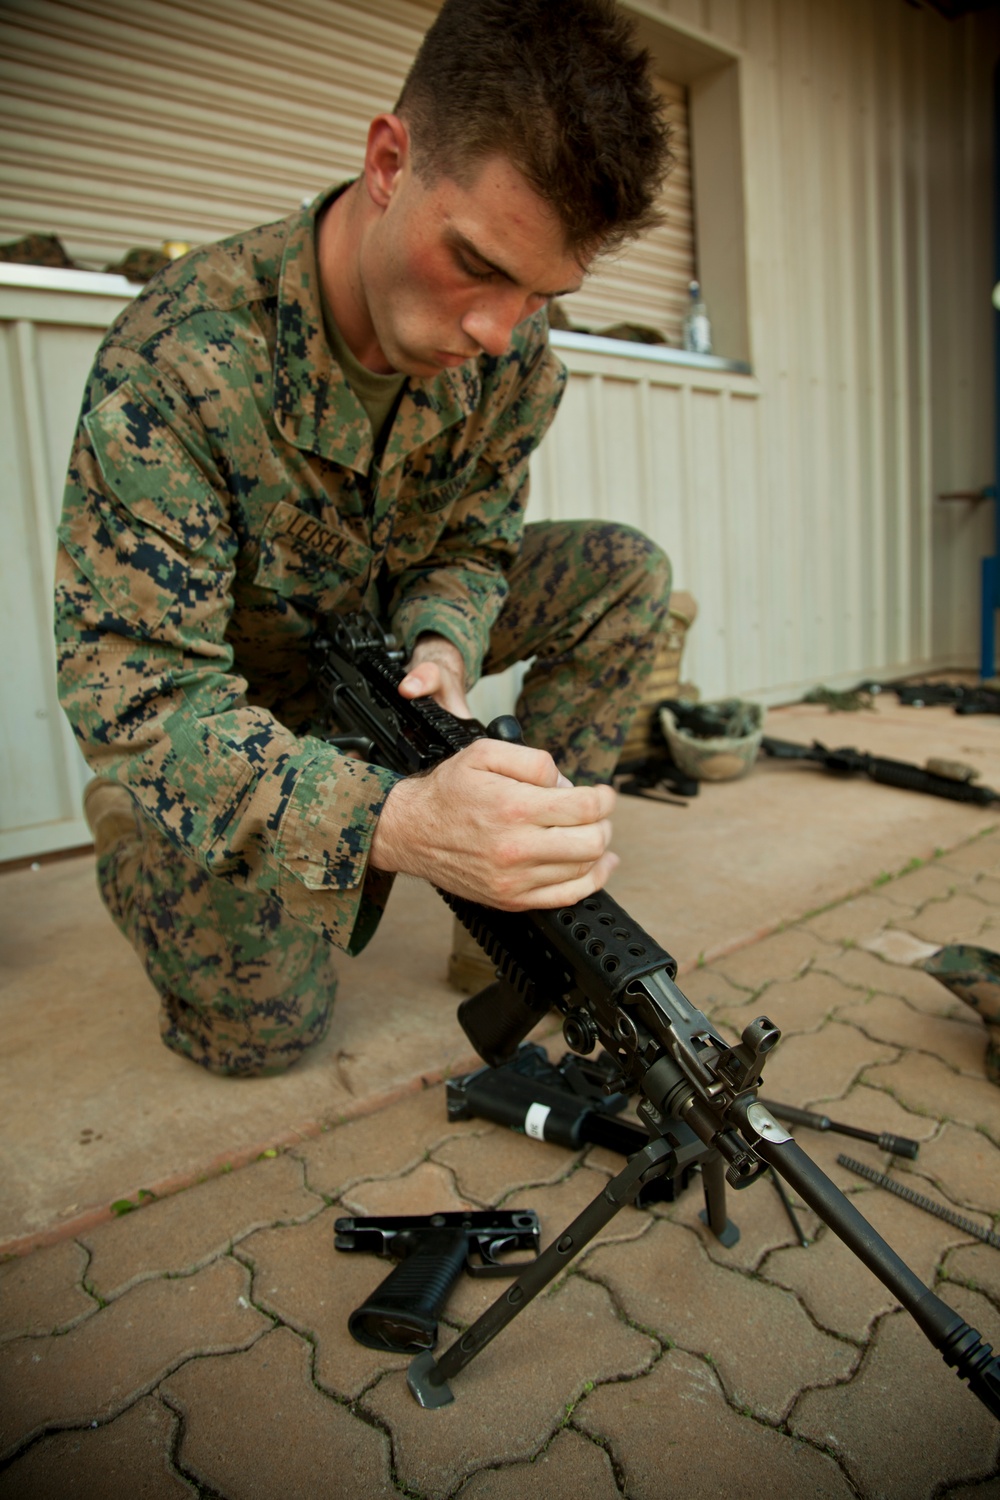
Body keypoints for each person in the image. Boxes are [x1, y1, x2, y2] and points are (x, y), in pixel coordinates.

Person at [55, 0, 674, 1076]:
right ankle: (141, 839)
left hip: (383, 658)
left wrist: (443, 645)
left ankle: (517, 903)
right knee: (263, 1034)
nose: (498, 331)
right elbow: (144, 698)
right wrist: (394, 819)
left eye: (541, 293)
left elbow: (475, 546)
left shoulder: (513, 356)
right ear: (388, 161)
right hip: (243, 708)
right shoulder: (180, 361)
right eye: (477, 263)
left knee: (622, 572)